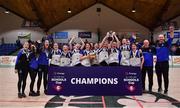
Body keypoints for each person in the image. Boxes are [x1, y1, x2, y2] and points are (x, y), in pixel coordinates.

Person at [155, 26, 174, 94]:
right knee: (159, 77)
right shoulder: (156, 44)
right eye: (160, 37)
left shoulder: (167, 44)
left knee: (165, 77)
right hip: (158, 63)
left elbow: (171, 37)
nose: (161, 38)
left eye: (162, 37)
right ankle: (160, 87)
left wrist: (171, 31)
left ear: (164, 38)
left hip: (165, 63)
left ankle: (166, 89)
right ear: (158, 38)